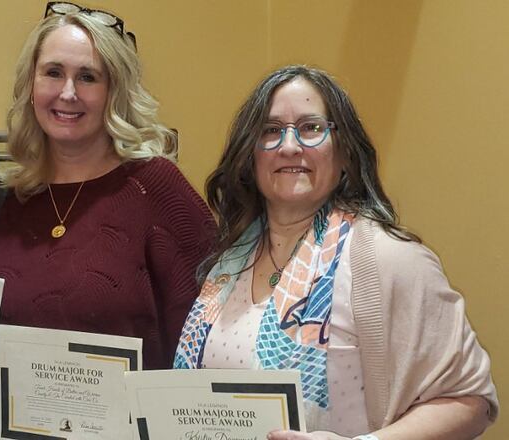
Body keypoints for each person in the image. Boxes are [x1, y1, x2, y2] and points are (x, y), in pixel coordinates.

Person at [174, 65, 498, 439]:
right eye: (271, 130)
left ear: (344, 153)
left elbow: (469, 401)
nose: (289, 146)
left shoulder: (389, 259)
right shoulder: (229, 264)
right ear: (250, 155)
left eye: (311, 128)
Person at [0, 2, 215, 371]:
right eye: (53, 72)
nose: (68, 92)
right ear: (31, 84)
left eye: (88, 77)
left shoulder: (155, 188)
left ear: (114, 91)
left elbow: (205, 339)